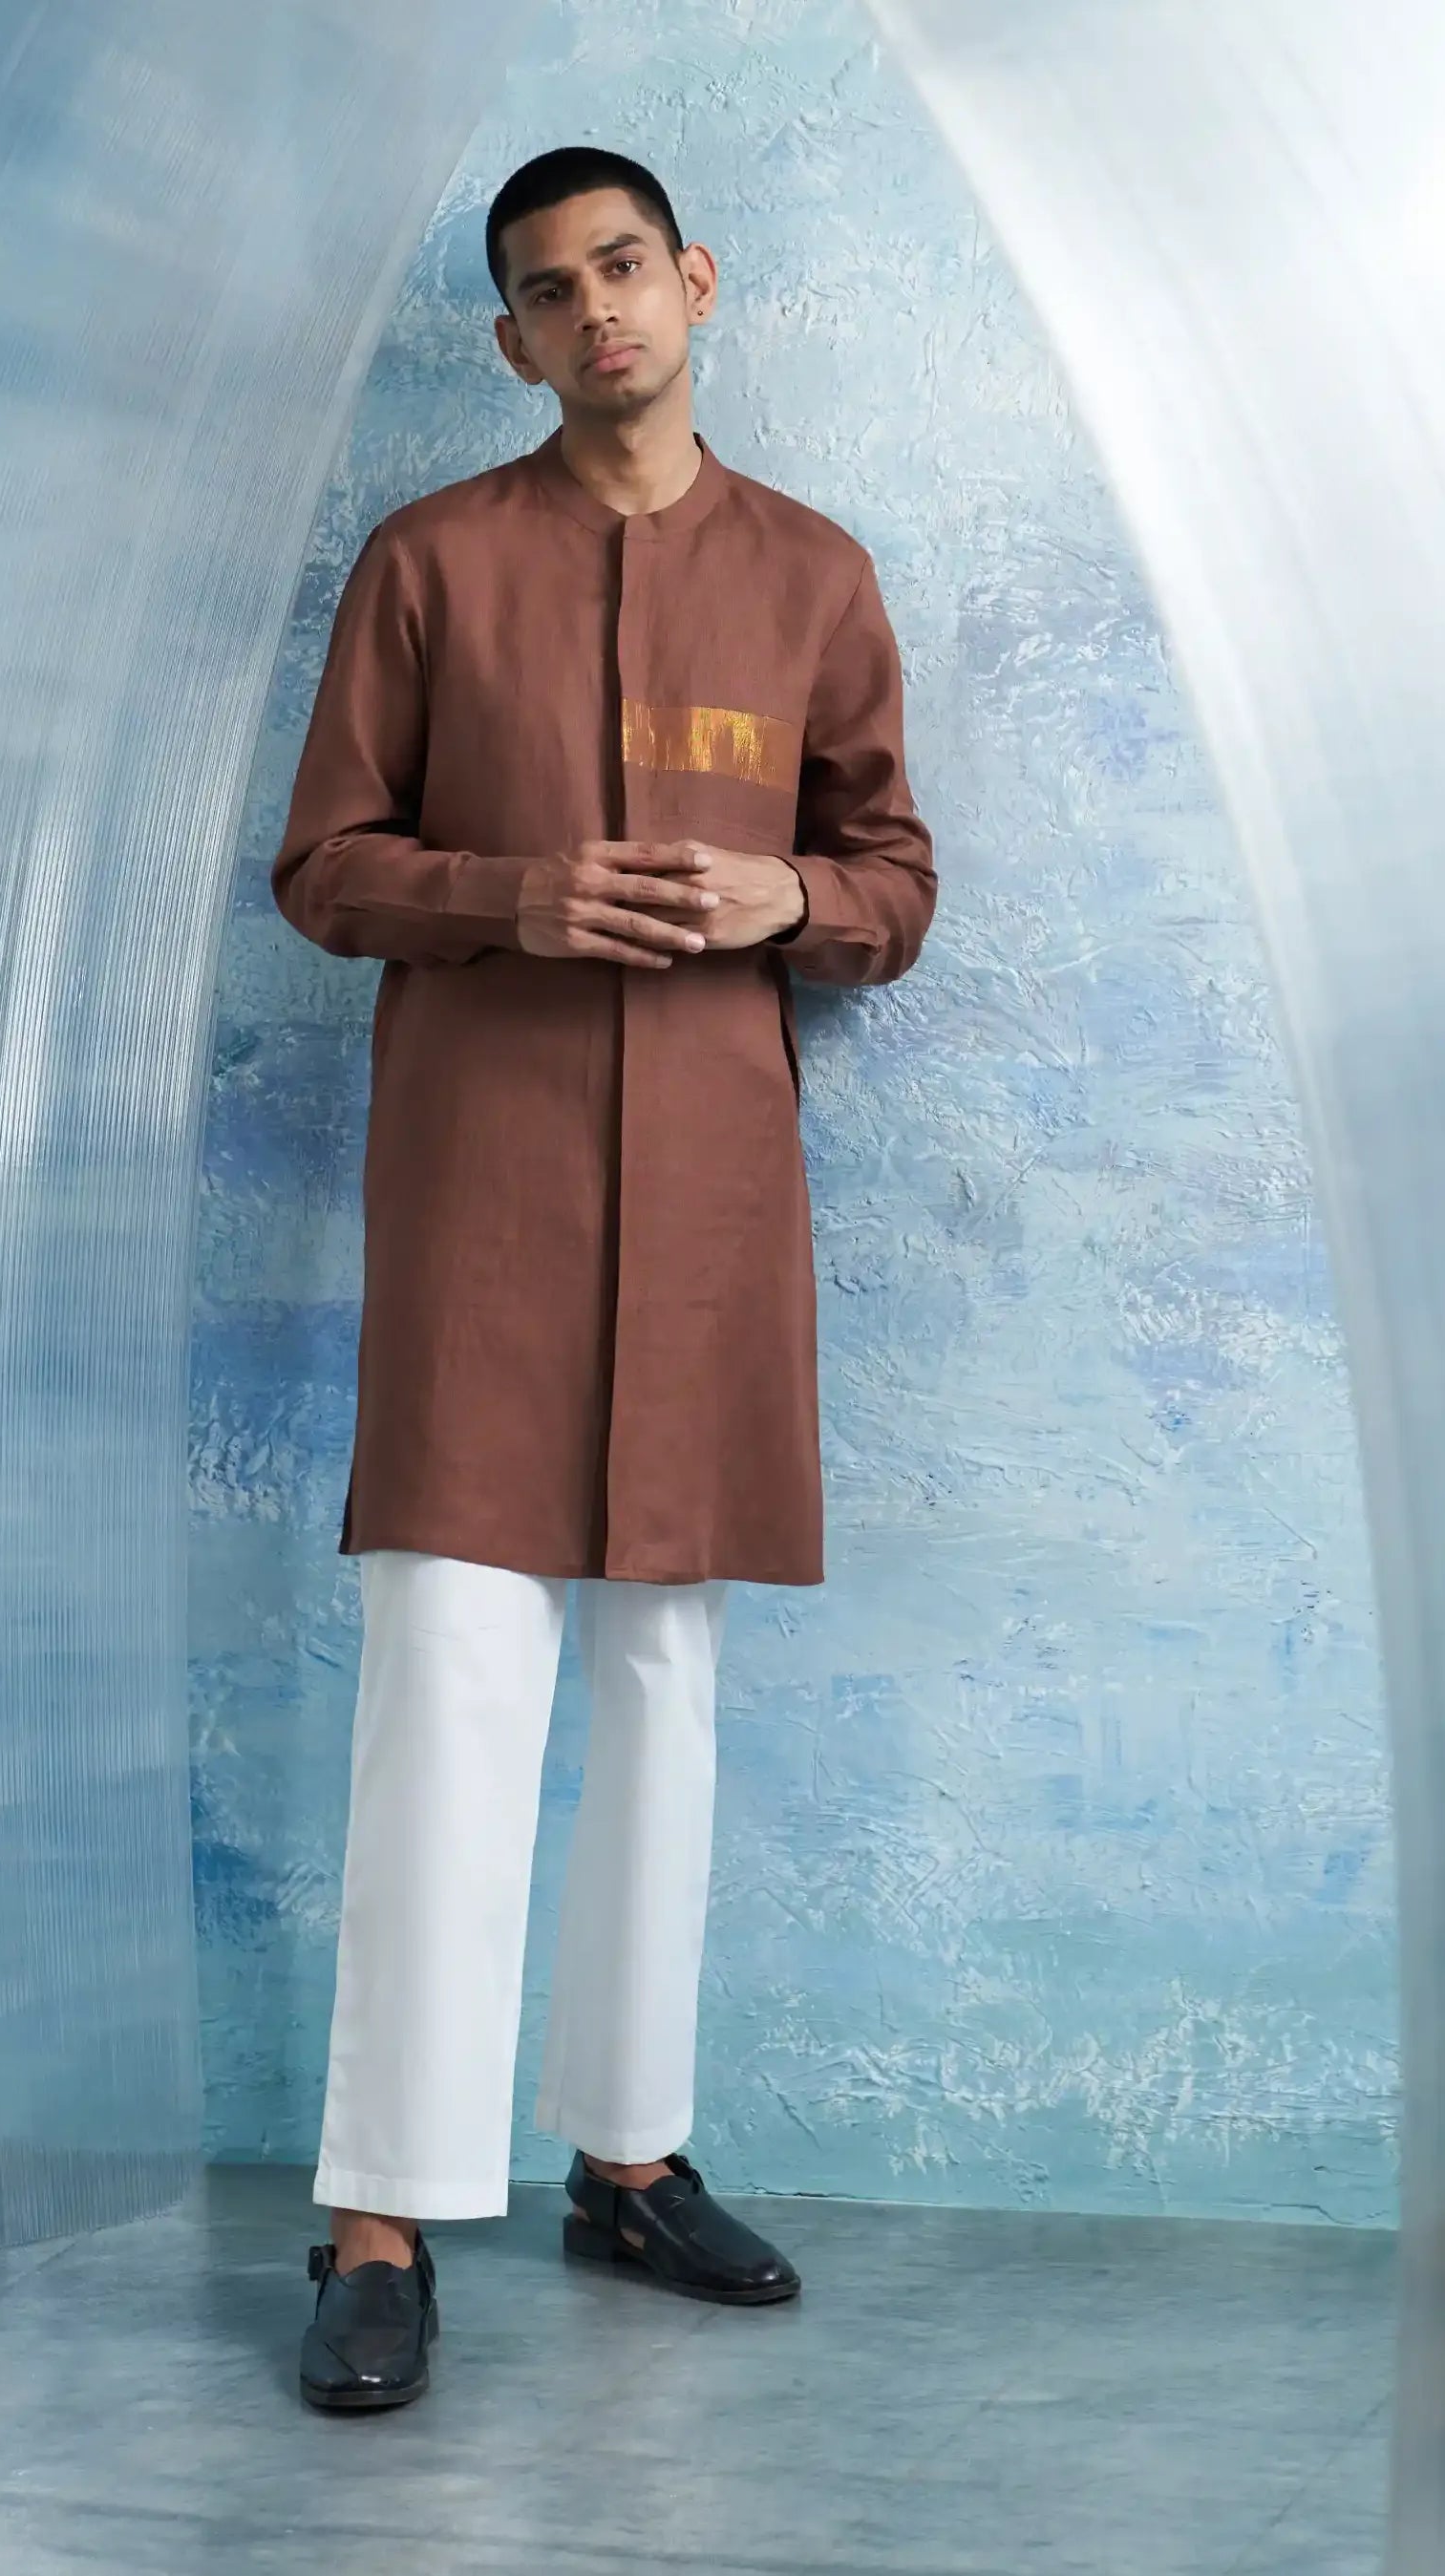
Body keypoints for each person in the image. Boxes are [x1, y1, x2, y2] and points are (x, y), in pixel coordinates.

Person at [272, 144, 936, 2414]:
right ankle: (378, 2216)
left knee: (662, 1684)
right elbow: (323, 866)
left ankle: (625, 2159)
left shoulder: (813, 575)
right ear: (511, 340)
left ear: (694, 281)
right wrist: (513, 895)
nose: (597, 311)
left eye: (623, 267)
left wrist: (789, 905)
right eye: (549, 291)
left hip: (712, 1213)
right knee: (448, 1679)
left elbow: (889, 872)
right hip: (484, 1194)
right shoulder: (429, 565)